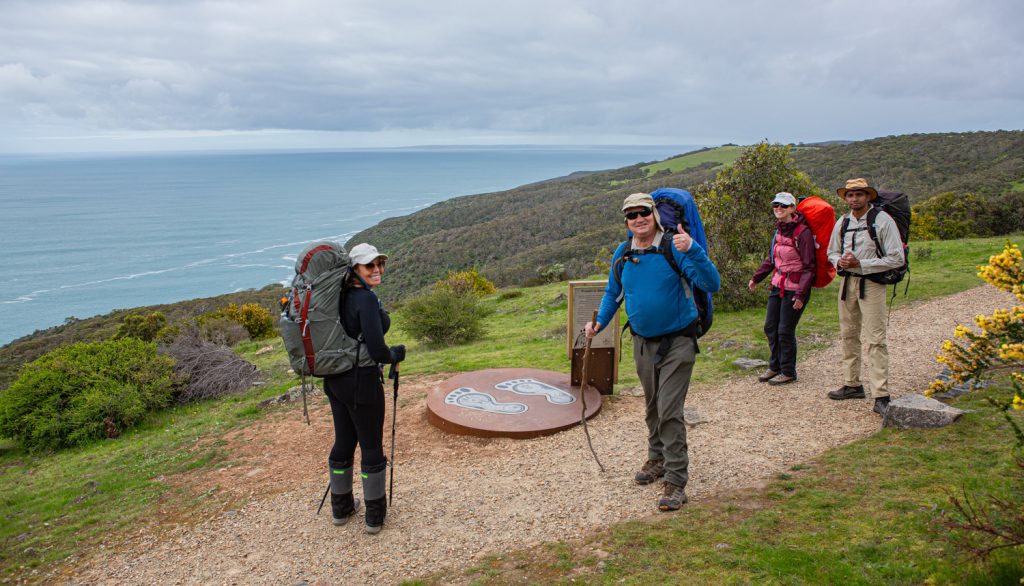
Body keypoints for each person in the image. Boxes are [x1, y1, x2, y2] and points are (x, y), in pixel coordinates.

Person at [585, 192, 720, 511]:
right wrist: (598, 323)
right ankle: (657, 458)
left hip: (678, 342)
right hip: (643, 342)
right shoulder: (623, 252)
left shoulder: (676, 245)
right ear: (626, 222)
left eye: (643, 212)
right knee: (652, 406)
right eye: (631, 215)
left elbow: (711, 283)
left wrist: (695, 251)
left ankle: (676, 480)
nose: (638, 219)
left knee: (669, 408)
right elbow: (613, 293)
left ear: (655, 214)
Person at [323, 242, 405, 534]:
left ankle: (341, 507)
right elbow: (378, 349)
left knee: (344, 441)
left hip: (335, 380)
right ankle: (374, 516)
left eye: (380, 263)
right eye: (370, 265)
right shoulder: (365, 300)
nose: (377, 269)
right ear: (354, 269)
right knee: (371, 445)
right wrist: (396, 354)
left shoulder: (338, 296)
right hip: (361, 382)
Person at [825, 179, 904, 415]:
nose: (854, 199)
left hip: (872, 283)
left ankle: (881, 394)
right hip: (848, 282)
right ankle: (852, 384)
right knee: (848, 334)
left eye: (859, 194)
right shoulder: (843, 222)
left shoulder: (882, 220)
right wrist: (839, 261)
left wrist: (862, 264)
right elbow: (831, 251)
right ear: (845, 198)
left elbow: (897, 258)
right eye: (850, 195)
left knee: (875, 338)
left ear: (868, 196)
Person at [747, 192, 815, 385]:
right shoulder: (778, 231)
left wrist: (801, 295)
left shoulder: (803, 233)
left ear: (793, 208)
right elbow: (771, 259)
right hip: (778, 285)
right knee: (770, 327)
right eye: (776, 205)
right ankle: (775, 366)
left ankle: (788, 371)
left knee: (785, 330)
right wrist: (756, 278)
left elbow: (809, 267)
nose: (778, 208)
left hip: (795, 289)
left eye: (783, 206)